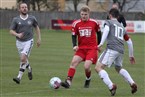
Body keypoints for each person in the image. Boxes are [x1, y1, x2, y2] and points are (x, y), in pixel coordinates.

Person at [95, 8, 137, 96]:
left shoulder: (108, 22)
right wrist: (131, 55)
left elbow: (106, 30)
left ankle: (111, 86)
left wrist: (101, 43)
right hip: (121, 50)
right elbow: (129, 41)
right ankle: (132, 83)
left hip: (112, 48)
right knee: (118, 68)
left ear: (110, 15)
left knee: (98, 67)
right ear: (118, 16)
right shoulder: (121, 26)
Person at [61, 6, 101, 88]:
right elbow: (73, 35)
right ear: (80, 14)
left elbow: (99, 33)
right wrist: (74, 45)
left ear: (88, 14)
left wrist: (99, 45)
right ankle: (68, 82)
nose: (84, 16)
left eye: (85, 14)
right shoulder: (76, 23)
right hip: (81, 49)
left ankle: (88, 78)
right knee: (73, 63)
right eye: (82, 14)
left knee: (86, 67)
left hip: (92, 49)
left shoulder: (94, 22)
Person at [10, 2, 41, 84]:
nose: (25, 8)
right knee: (24, 59)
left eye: (26, 7)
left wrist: (39, 39)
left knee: (23, 58)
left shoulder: (32, 18)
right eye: (23, 7)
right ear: (19, 9)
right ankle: (29, 68)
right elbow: (11, 31)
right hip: (19, 42)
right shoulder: (16, 20)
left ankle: (18, 77)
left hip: (29, 41)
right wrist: (17, 34)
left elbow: (37, 27)